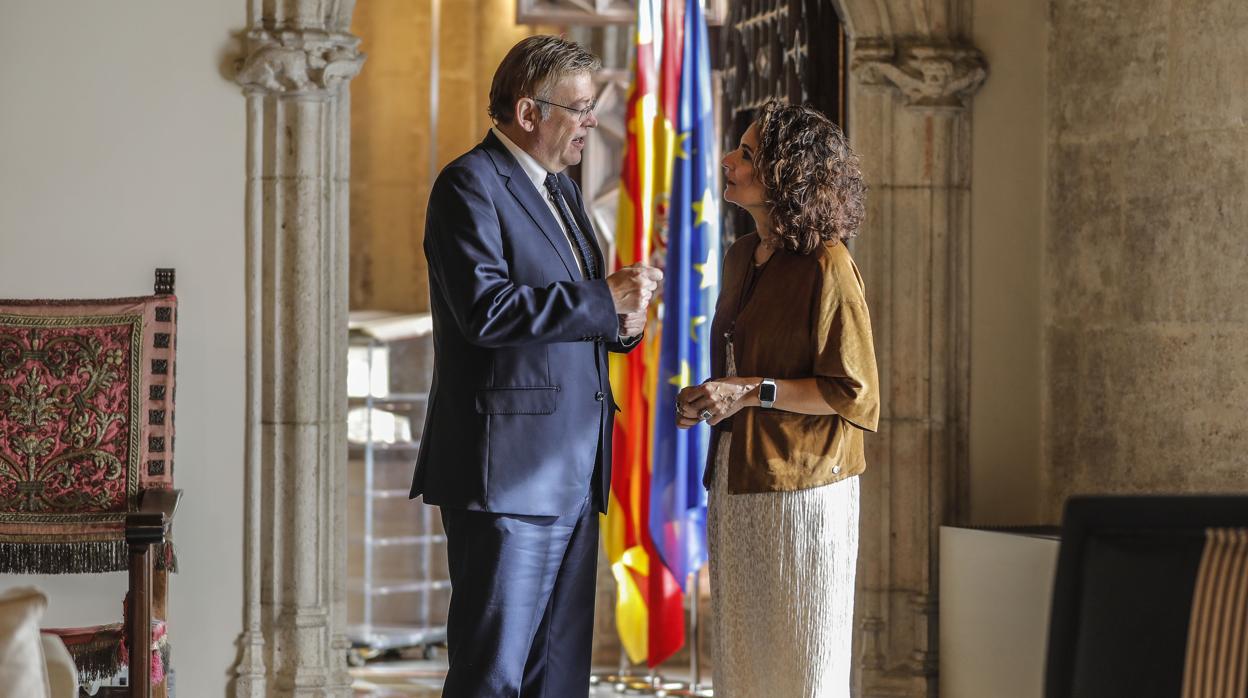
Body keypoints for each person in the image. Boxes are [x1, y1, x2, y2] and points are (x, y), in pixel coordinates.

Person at [410, 36, 663, 697]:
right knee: (491, 676)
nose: (592, 121)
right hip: (508, 480)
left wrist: (623, 323)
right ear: (528, 112)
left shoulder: (564, 191)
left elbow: (577, 316)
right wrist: (603, 298)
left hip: (574, 475)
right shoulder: (468, 185)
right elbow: (486, 312)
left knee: (558, 679)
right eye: (580, 107)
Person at [675, 101, 879, 697]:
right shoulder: (741, 257)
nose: (728, 161)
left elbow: (854, 394)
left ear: (786, 173)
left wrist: (750, 391)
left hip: (804, 491)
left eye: (747, 154)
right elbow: (737, 368)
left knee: (804, 667)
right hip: (737, 486)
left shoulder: (828, 263)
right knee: (743, 667)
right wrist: (708, 399)